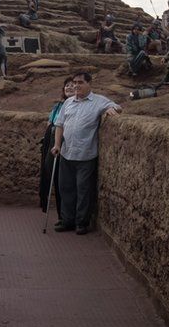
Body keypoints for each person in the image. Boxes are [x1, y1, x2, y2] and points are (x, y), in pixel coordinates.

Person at [50, 72, 122, 234]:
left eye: (80, 82)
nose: (76, 86)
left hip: (86, 155)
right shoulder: (68, 102)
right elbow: (59, 125)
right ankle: (67, 220)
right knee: (66, 188)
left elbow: (117, 106)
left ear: (89, 84)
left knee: (83, 190)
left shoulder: (98, 101)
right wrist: (56, 145)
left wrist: (111, 108)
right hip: (66, 153)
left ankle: (81, 222)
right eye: (75, 82)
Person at [39, 77, 75, 213]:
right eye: (67, 86)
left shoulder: (76, 105)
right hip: (53, 142)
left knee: (64, 179)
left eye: (72, 85)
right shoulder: (58, 106)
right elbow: (50, 123)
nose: (69, 88)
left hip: (67, 143)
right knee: (49, 172)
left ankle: (64, 212)